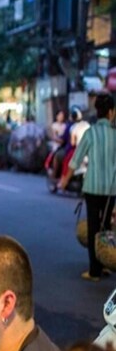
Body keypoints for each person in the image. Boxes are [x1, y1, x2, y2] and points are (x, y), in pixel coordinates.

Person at [64, 93, 116, 281]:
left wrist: (64, 180)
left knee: (94, 226)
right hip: (111, 190)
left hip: (92, 188)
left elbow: (75, 160)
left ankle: (95, 271)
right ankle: (104, 263)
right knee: (106, 227)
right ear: (111, 112)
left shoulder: (90, 133)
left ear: (98, 111)